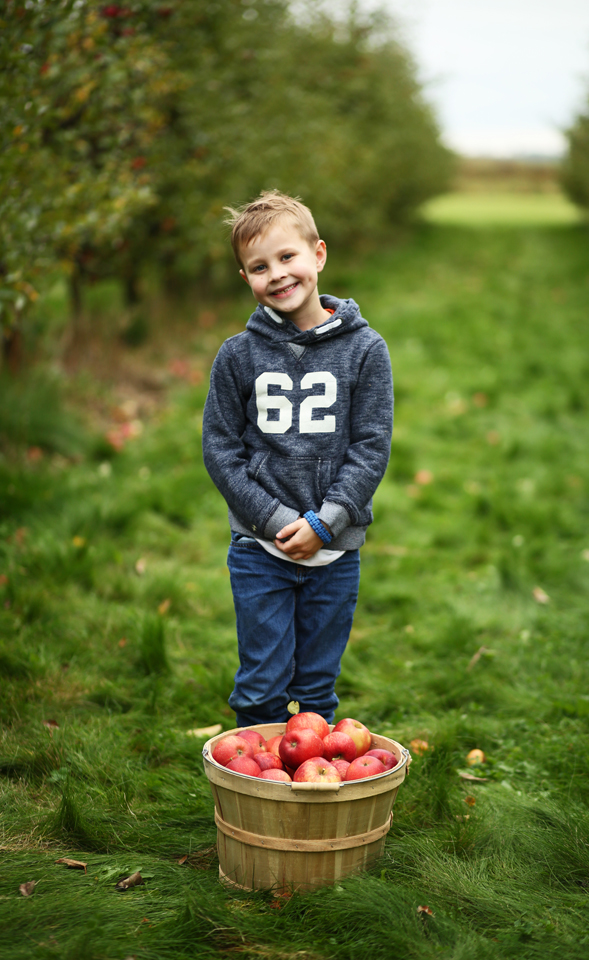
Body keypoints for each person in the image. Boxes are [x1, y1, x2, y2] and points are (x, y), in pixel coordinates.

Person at [202, 190, 393, 727]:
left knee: (315, 689)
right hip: (261, 549)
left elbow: (371, 447)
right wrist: (281, 521)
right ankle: (256, 796)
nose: (278, 275)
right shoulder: (237, 355)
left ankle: (311, 798)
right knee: (261, 685)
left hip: (335, 556)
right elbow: (220, 448)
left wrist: (326, 523)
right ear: (246, 279)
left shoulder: (365, 350)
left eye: (288, 257)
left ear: (318, 255)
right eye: (259, 267)